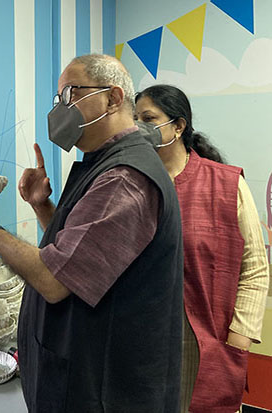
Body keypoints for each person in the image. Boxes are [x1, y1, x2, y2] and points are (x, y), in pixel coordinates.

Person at [0, 54, 184, 412]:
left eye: (69, 96)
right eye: (57, 99)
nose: (60, 110)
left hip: (106, 390)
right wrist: (41, 206)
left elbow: (53, 278)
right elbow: (85, 257)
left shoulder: (125, 179)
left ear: (112, 98)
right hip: (80, 376)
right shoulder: (105, 165)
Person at [135, 85, 269, 413]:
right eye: (135, 119)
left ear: (178, 126)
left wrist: (239, 335)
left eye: (149, 118)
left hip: (209, 343)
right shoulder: (134, 185)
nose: (139, 127)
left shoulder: (225, 184)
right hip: (143, 344)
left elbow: (255, 265)